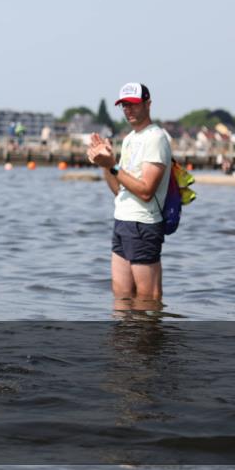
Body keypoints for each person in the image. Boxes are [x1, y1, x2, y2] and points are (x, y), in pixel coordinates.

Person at [87, 83, 171, 307]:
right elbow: (120, 191)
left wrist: (113, 166)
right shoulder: (129, 139)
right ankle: (124, 342)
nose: (128, 110)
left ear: (148, 104)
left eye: (133, 104)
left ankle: (150, 342)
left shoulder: (156, 138)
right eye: (124, 105)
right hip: (122, 221)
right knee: (121, 297)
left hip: (143, 224)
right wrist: (105, 164)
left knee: (148, 299)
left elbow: (145, 191)